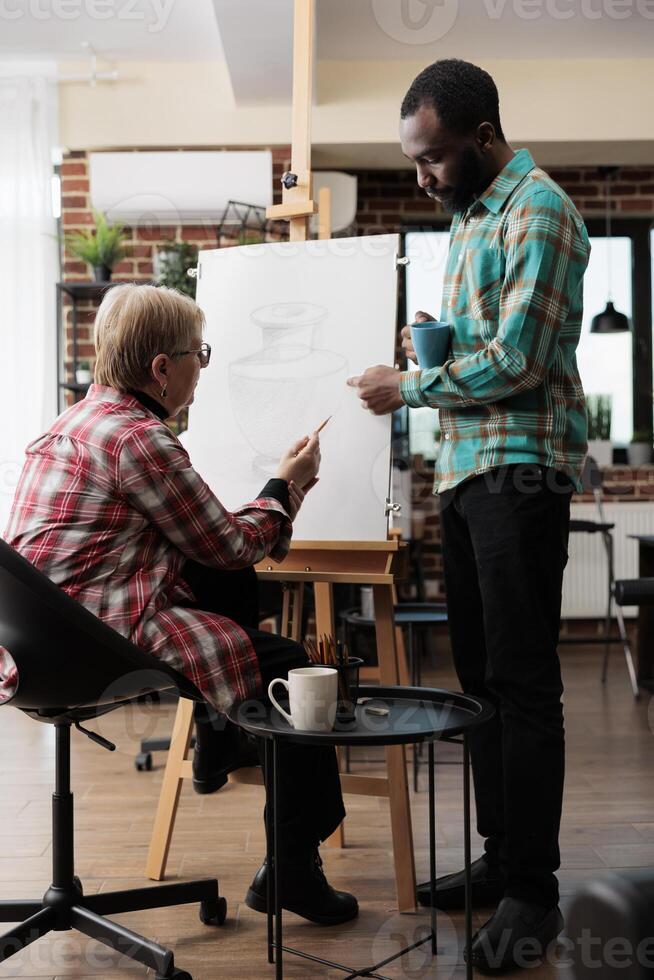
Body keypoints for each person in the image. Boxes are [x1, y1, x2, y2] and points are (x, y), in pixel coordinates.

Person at [1, 283, 357, 926]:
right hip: (90, 643)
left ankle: (224, 735)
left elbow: (205, 550)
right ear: (162, 368)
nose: (203, 366)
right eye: (200, 353)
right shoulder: (140, 439)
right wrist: (287, 485)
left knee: (211, 573)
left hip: (28, 644)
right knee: (297, 672)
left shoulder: (75, 421)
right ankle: (292, 871)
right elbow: (229, 543)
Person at [348, 59, 590, 972]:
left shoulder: (539, 210)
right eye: (415, 161)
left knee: (523, 683)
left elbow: (522, 360)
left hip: (519, 475)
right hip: (465, 473)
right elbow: (483, 348)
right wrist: (425, 358)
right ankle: (502, 858)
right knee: (481, 679)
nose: (424, 177)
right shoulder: (473, 216)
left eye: (436, 158)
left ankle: (535, 893)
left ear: (485, 136)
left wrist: (410, 383)